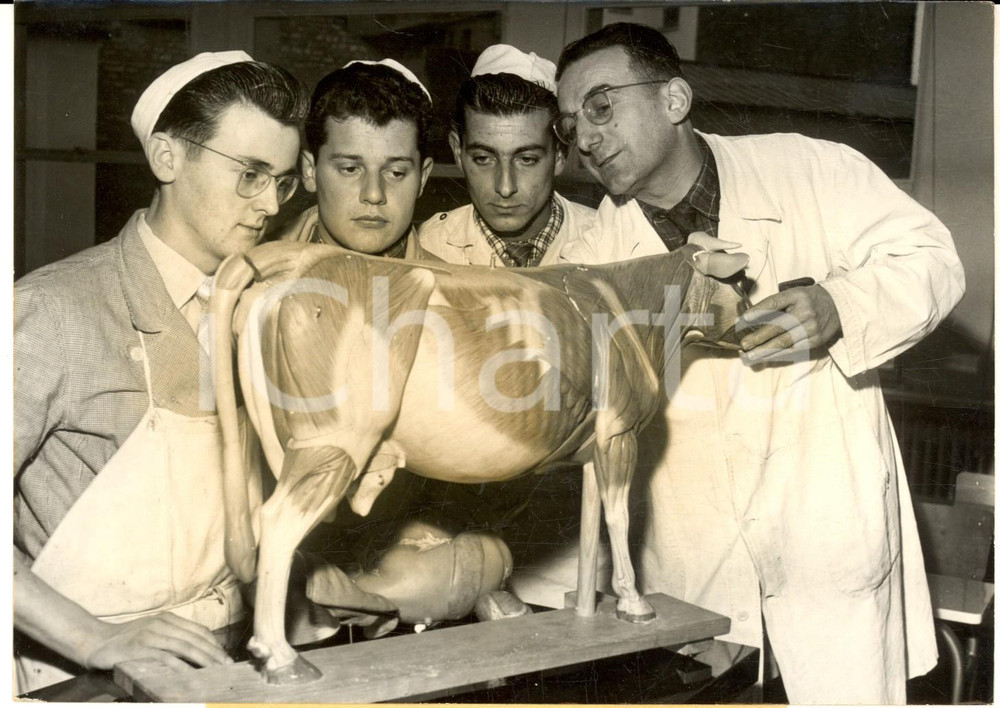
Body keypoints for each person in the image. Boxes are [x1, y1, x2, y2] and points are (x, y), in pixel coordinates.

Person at [554, 22, 965, 704]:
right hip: (695, 573)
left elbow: (934, 258)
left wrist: (840, 304)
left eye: (600, 107)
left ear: (674, 99)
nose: (586, 140)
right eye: (571, 125)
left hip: (826, 550)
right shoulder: (595, 258)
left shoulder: (811, 171)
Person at [14, 52, 308, 694]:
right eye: (250, 174)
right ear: (167, 157)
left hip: (225, 659)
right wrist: (92, 638)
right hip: (80, 677)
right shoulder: (54, 309)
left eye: (282, 182)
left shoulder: (261, 311)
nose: (268, 205)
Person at [418, 44, 595, 267]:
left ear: (560, 154)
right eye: (483, 159)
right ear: (457, 151)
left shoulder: (610, 242)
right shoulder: (426, 245)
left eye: (527, 160)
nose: (505, 188)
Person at [275, 59, 433, 259]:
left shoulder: (459, 280)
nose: (374, 194)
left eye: (396, 173)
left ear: (422, 178)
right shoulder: (251, 273)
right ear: (310, 171)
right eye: (350, 169)